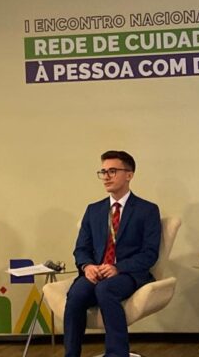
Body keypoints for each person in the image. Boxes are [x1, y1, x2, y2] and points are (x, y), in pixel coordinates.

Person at [64, 150, 161, 357]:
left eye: (113, 171)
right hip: (96, 270)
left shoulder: (147, 210)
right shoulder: (94, 210)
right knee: (76, 295)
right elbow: (81, 248)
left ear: (129, 174)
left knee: (105, 290)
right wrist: (87, 266)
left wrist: (118, 268)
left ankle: (117, 354)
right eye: (103, 171)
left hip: (128, 273)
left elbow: (150, 253)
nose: (106, 176)